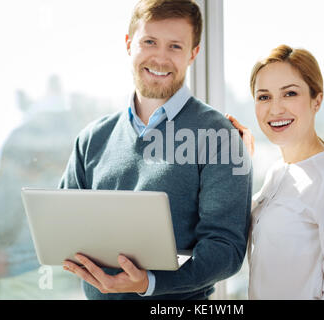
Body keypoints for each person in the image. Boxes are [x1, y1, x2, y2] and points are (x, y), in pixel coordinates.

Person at [60, 0, 252, 300]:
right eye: (150, 42)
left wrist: (149, 282)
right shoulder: (92, 139)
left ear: (193, 54)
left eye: (175, 46)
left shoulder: (218, 137)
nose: (160, 58)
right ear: (128, 44)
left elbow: (226, 249)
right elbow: (62, 227)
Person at [227, 44, 324, 299]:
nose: (275, 109)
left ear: (317, 99)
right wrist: (234, 159)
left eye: (290, 94)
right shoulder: (277, 172)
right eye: (264, 96)